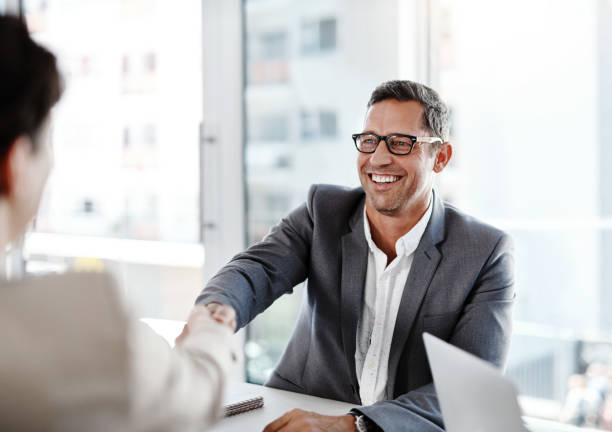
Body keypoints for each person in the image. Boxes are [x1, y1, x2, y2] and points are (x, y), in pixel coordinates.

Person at [196, 79, 515, 431]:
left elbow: (469, 390)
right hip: (293, 415)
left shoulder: (485, 253)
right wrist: (214, 319)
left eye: (399, 143)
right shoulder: (324, 212)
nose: (378, 158)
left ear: (440, 157)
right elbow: (257, 269)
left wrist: (353, 426)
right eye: (369, 141)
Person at [0, 14, 235, 432]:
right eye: (47, 143)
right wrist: (209, 331)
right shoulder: (72, 329)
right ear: (15, 165)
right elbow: (196, 394)